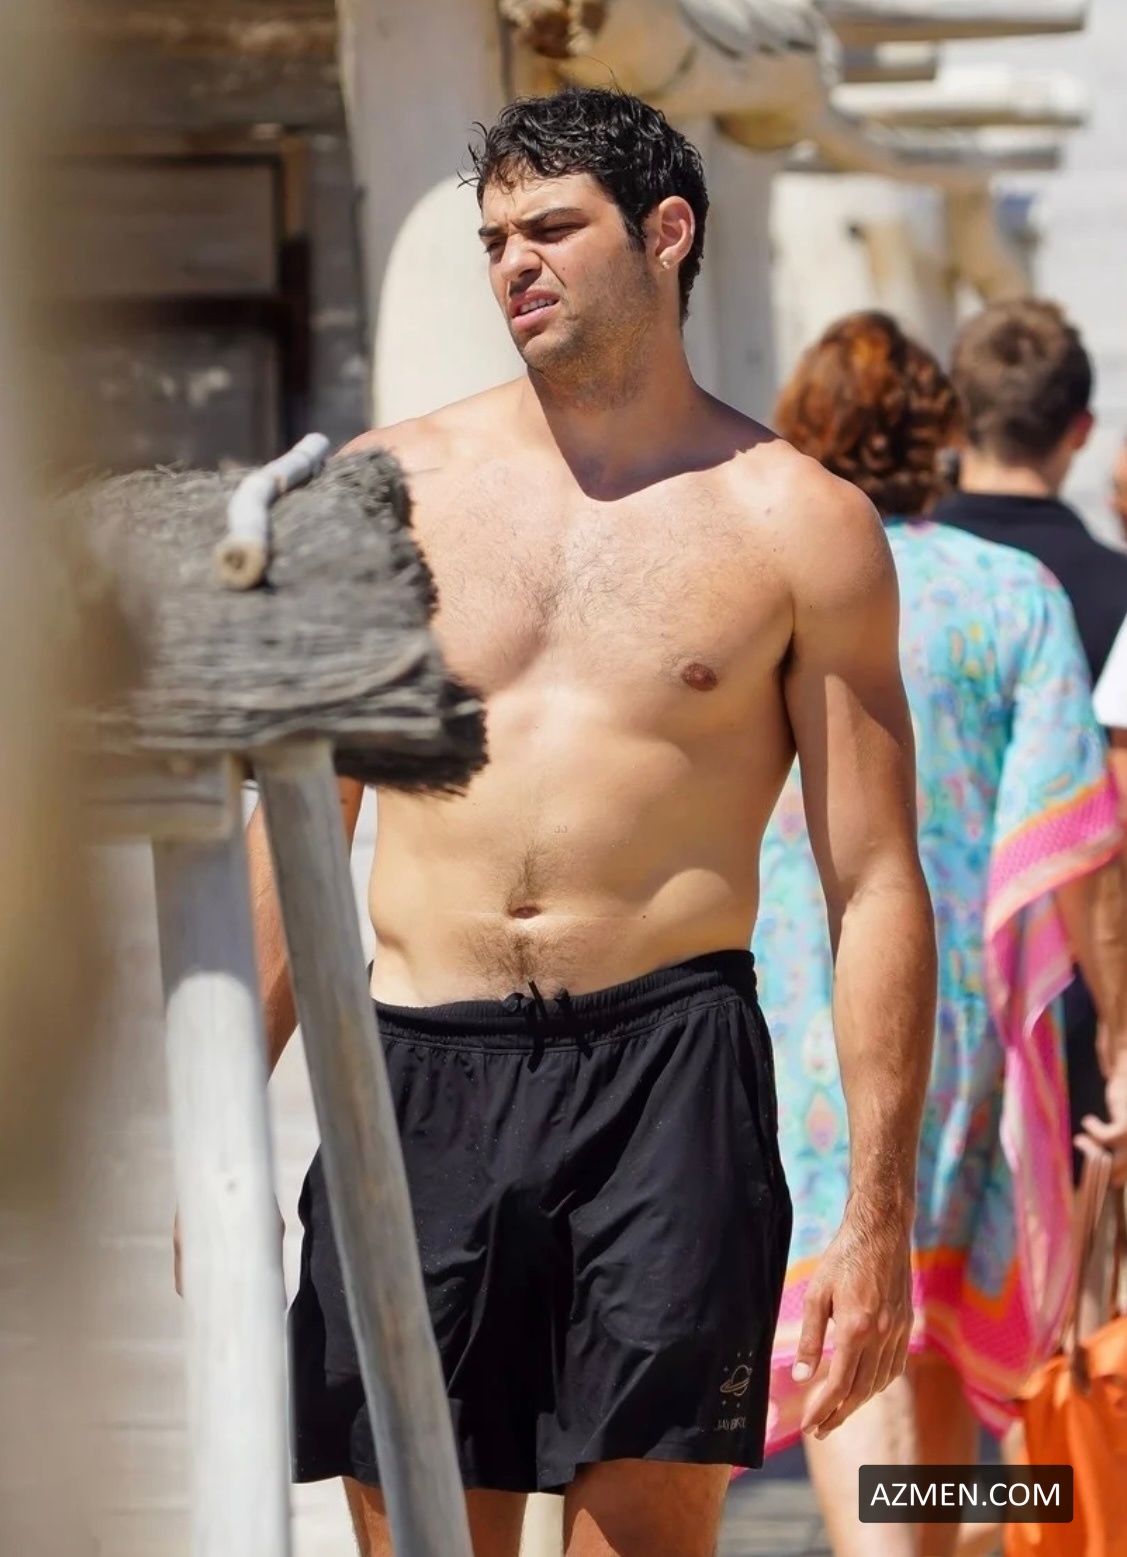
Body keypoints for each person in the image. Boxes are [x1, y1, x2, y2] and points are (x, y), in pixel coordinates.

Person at [243, 90, 936, 1557]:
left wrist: (875, 1215)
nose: (514, 263)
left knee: (644, 1535)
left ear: (666, 234)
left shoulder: (798, 525)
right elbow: (299, 822)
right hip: (414, 1077)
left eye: (552, 228)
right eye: (495, 238)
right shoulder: (383, 495)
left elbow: (874, 880)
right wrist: (224, 1118)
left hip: (666, 1083)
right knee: (423, 1531)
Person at [756, 312, 1127, 1557]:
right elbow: (1072, 842)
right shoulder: (1009, 594)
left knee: (838, 1308)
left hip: (793, 1006)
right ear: (940, 437)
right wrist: (1114, 1040)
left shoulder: (768, 585)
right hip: (956, 1006)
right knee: (929, 1322)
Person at [936, 299, 1127, 1176]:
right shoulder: (1116, 592)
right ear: (1078, 430)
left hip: (908, 980)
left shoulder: (879, 573)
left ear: (956, 416)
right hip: (1075, 994)